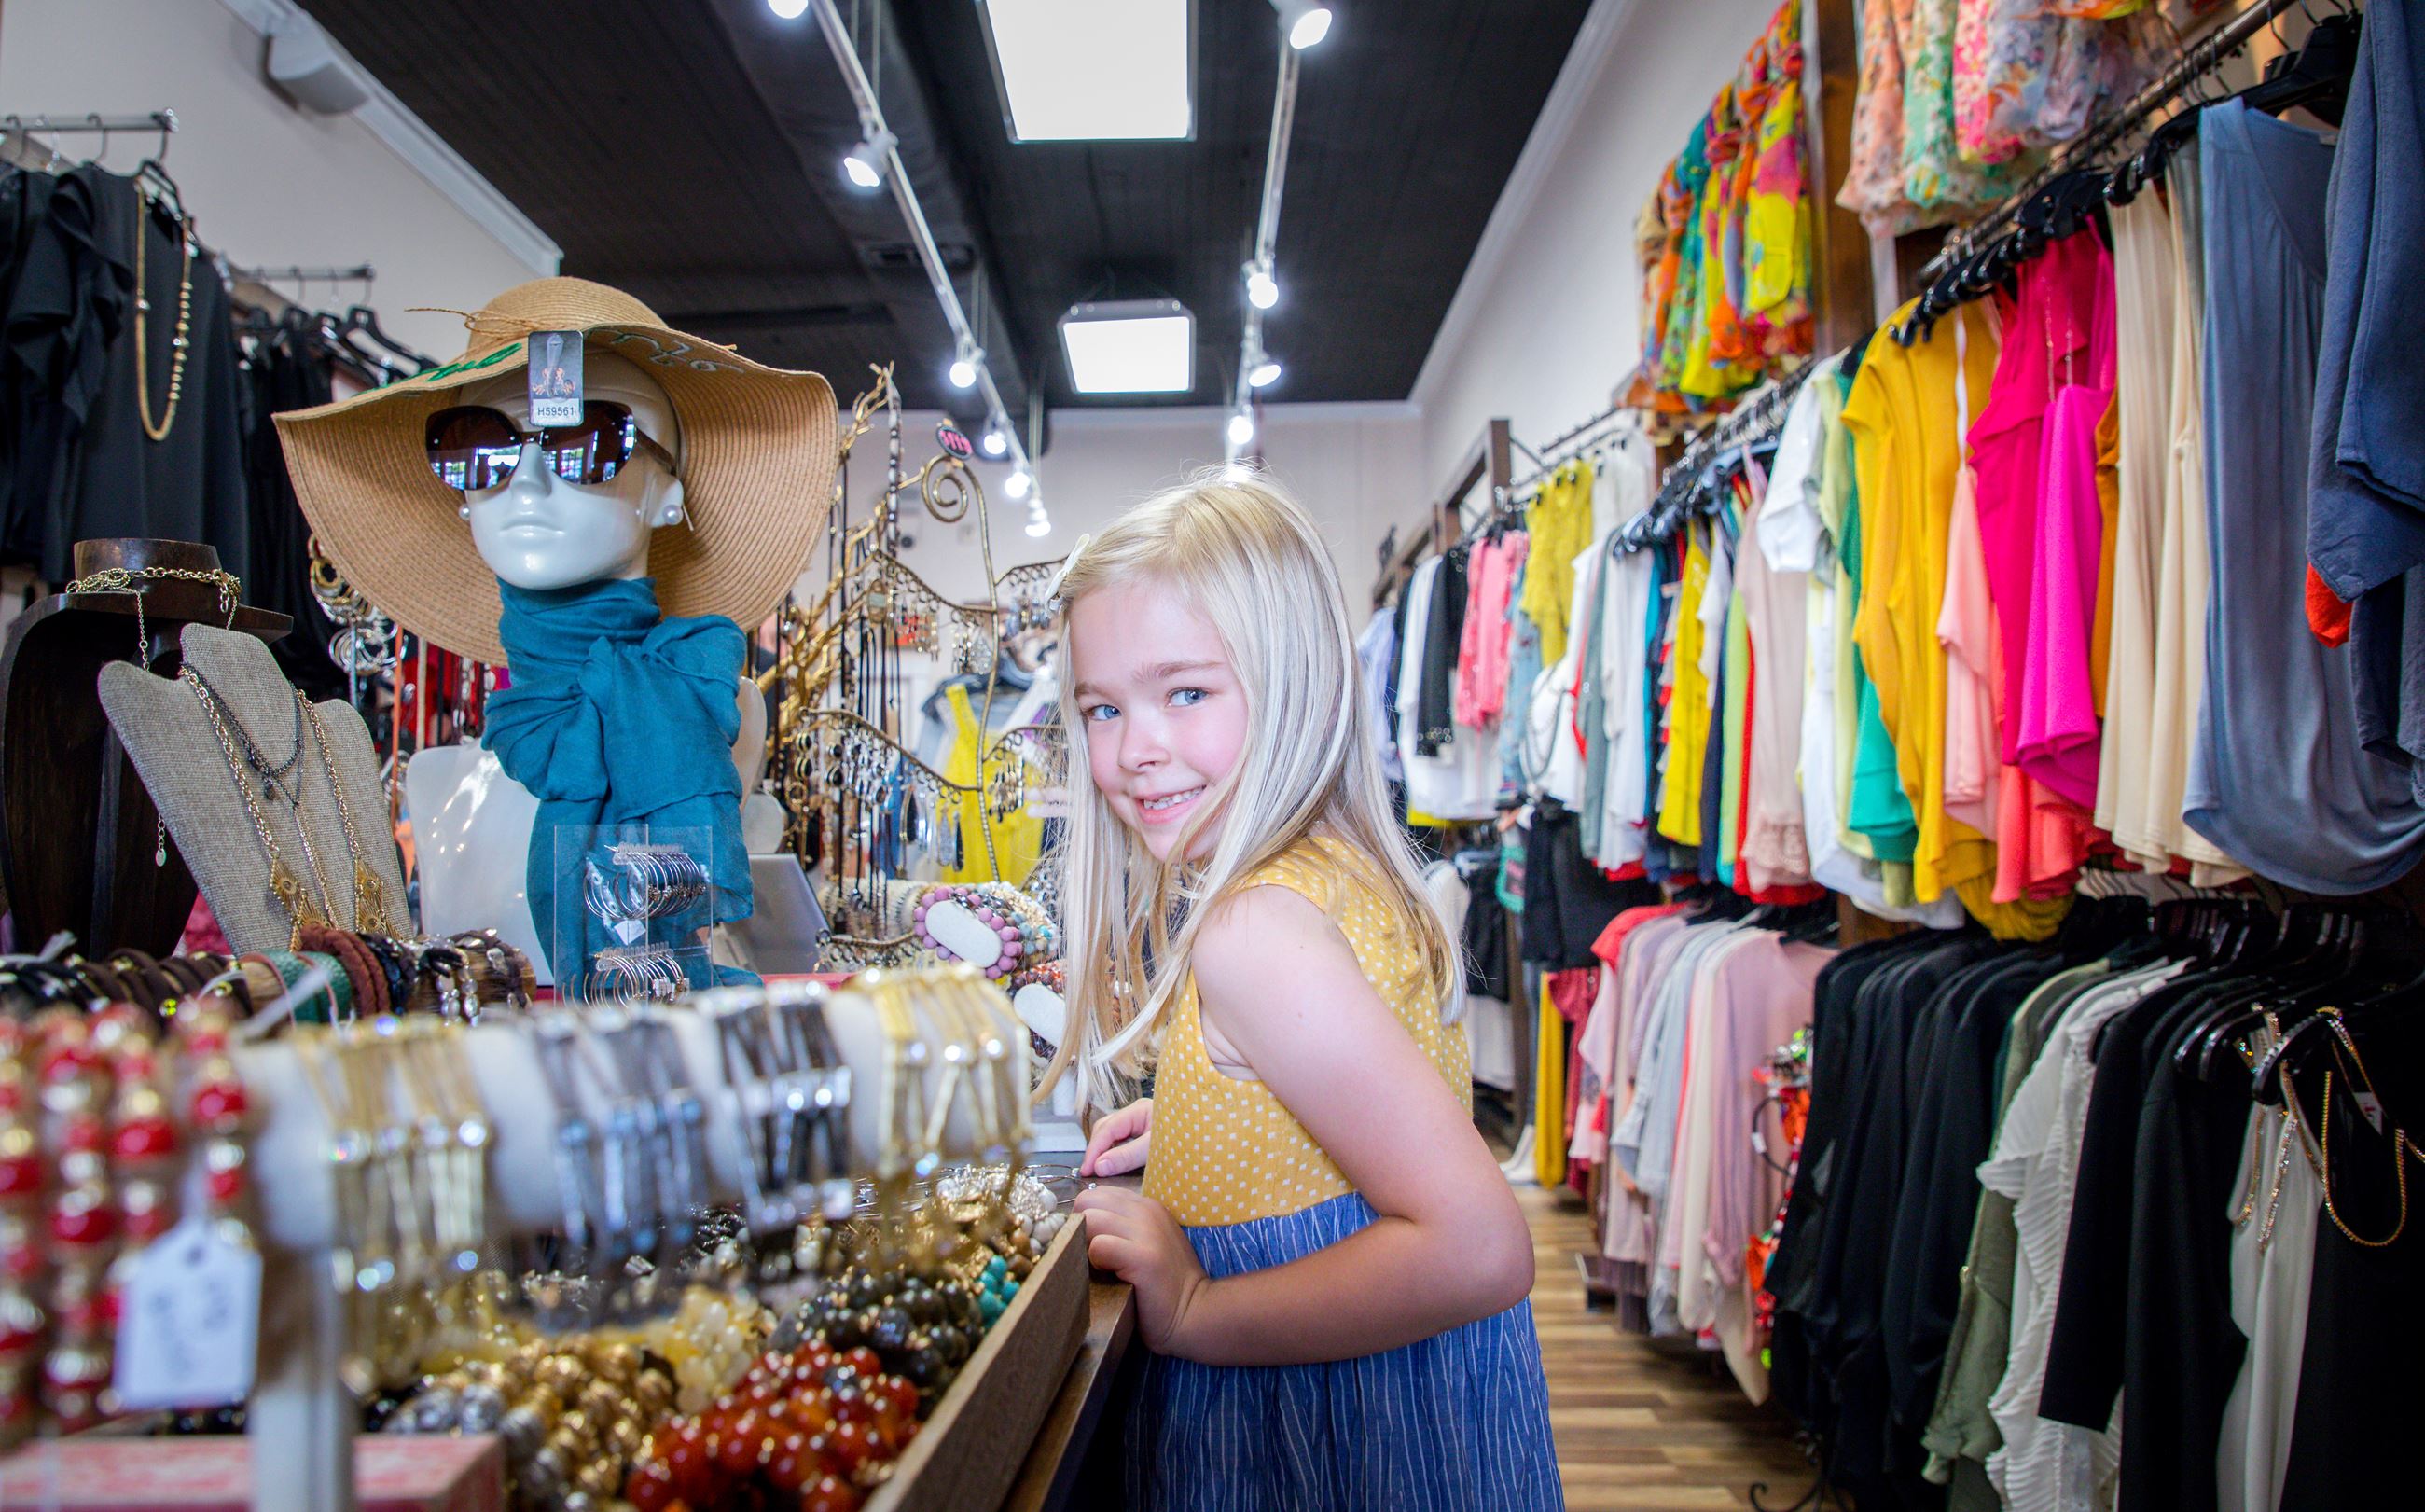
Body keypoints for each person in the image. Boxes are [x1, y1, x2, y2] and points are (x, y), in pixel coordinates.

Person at [1054, 471, 1561, 1510]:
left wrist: (1192, 1306)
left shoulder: (1251, 930)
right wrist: (1202, 1113)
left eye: (1185, 692)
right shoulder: (1336, 867)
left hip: (1315, 1422)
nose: (1134, 747)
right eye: (1102, 708)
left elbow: (1476, 1248)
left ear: (1292, 684)